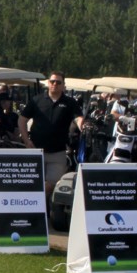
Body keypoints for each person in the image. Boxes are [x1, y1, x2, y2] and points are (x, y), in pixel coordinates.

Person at [18, 71, 84, 203]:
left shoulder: (70, 102)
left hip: (57, 152)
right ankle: (36, 210)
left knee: (52, 184)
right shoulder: (37, 100)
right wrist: (26, 140)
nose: (55, 84)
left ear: (63, 85)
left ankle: (34, 204)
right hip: (36, 150)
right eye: (52, 81)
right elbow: (22, 119)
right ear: (48, 83)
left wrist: (82, 125)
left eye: (58, 82)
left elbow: (78, 118)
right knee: (33, 183)